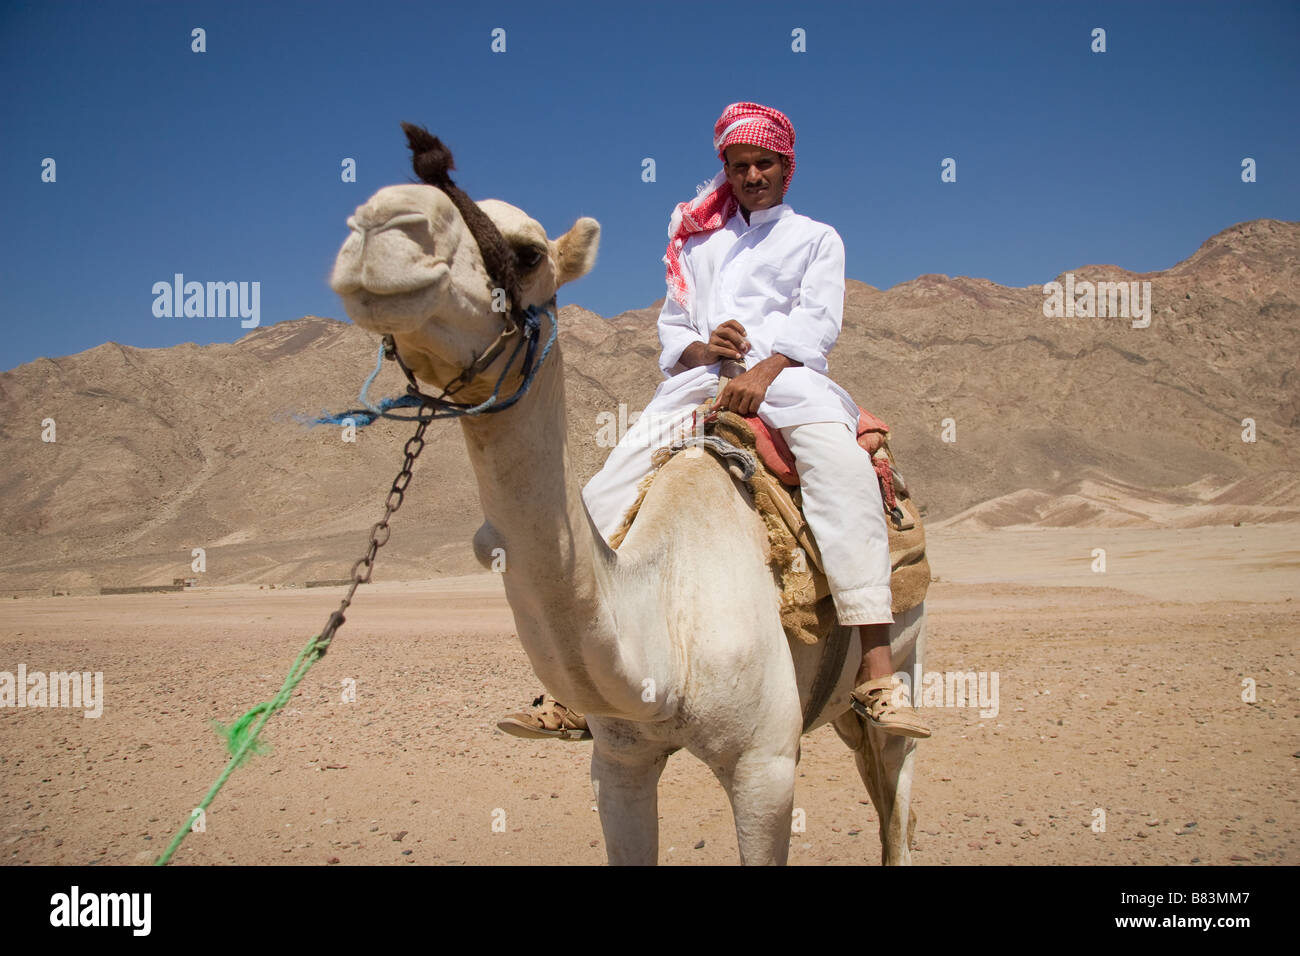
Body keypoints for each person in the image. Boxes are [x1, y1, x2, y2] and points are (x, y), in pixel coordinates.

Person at [498, 102, 930, 741]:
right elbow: (673, 328)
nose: (752, 175)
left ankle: (875, 673)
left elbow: (818, 323)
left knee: (844, 479)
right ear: (725, 169)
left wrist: (763, 369)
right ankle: (577, 689)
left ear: (787, 167)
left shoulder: (815, 239)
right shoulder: (699, 246)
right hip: (700, 387)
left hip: (792, 384)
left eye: (764, 163)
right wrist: (709, 349)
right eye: (739, 165)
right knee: (597, 498)